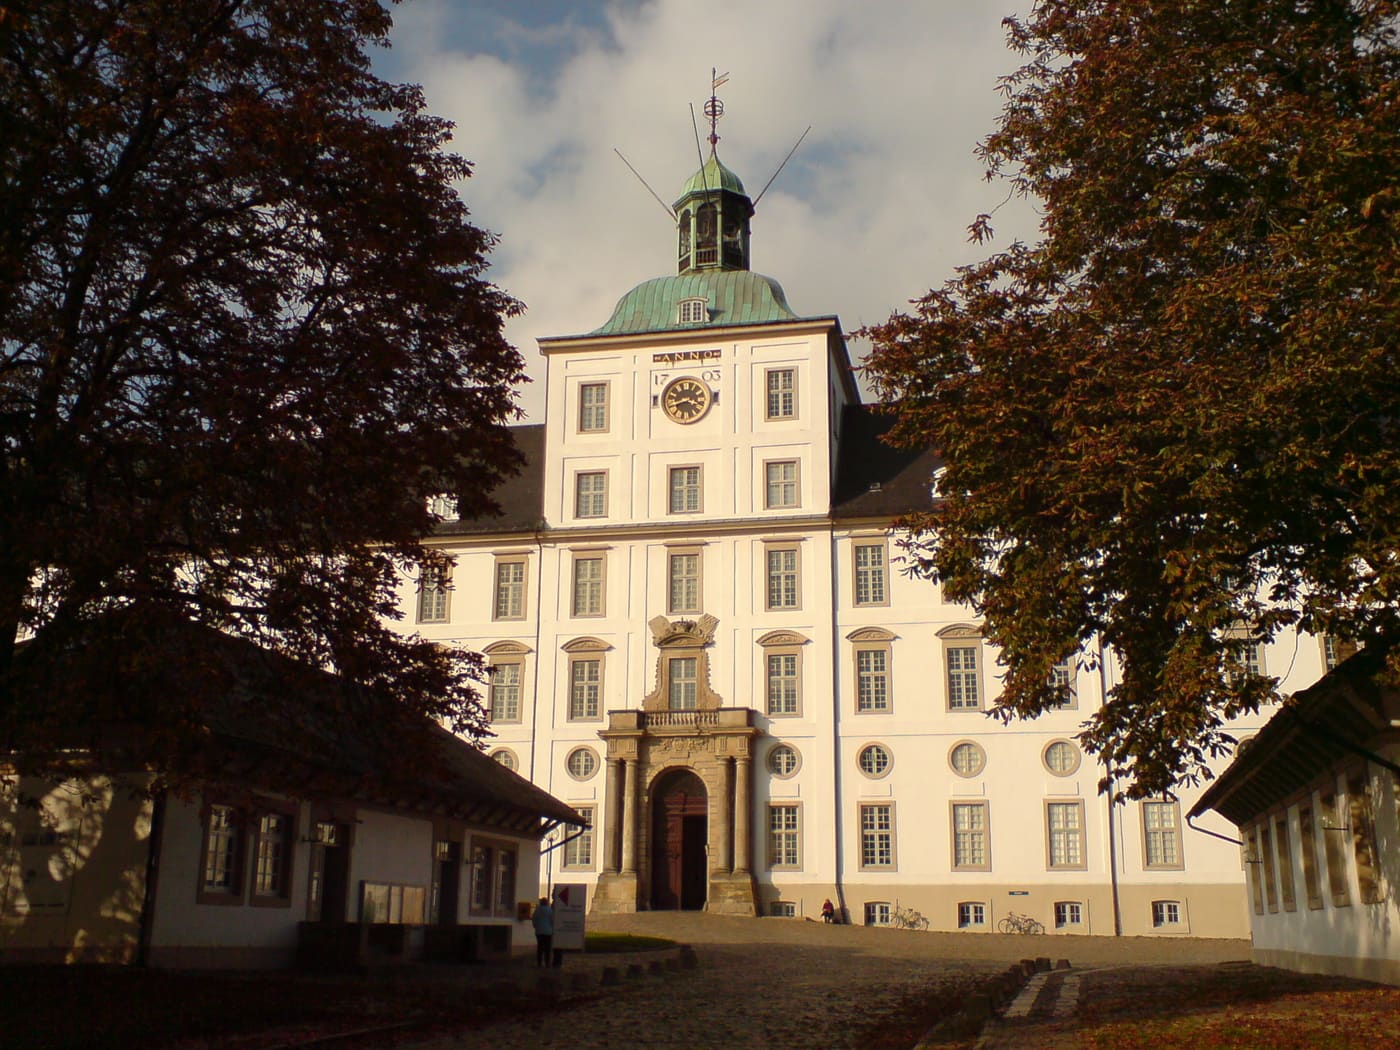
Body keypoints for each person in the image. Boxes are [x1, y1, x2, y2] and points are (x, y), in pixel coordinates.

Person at [532, 896, 554, 967]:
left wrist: (536, 927)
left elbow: (534, 919)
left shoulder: (537, 910)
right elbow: (552, 920)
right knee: (547, 948)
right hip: (548, 932)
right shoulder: (550, 910)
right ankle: (547, 963)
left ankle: (539, 962)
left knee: (540, 948)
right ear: (547, 903)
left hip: (539, 931)